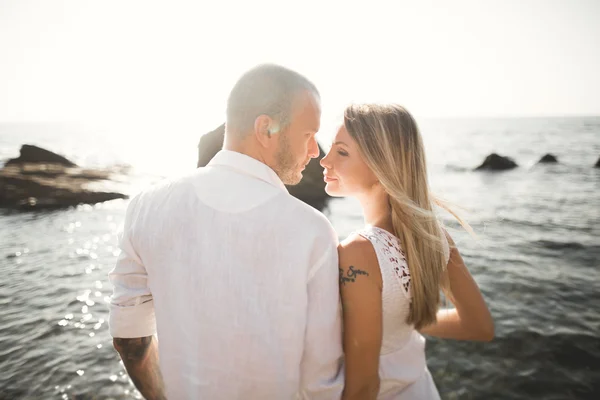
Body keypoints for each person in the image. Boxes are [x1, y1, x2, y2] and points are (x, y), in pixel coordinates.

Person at [108, 64, 344, 399]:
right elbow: (322, 384)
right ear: (266, 129)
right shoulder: (313, 232)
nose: (314, 152)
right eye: (308, 135)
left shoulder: (145, 205)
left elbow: (130, 341)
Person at [320, 103, 494, 400]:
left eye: (342, 152)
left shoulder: (358, 253)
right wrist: (403, 318)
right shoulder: (434, 237)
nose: (324, 161)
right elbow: (479, 326)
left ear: (381, 166)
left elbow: (364, 387)